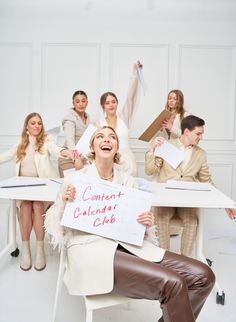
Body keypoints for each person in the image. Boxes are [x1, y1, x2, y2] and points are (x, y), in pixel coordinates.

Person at [45, 126, 215, 322]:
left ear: (117, 147)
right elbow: (56, 229)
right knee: (174, 283)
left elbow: (136, 232)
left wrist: (145, 224)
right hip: (91, 250)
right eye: (100, 137)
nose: (106, 140)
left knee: (204, 276)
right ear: (92, 146)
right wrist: (65, 205)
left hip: (128, 248)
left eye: (112, 137)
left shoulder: (129, 182)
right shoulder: (75, 180)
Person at [0, 112, 75, 271]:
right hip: (23, 189)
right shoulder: (20, 143)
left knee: (38, 207)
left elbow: (57, 150)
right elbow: (4, 156)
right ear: (27, 126)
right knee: (26, 207)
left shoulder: (46, 141)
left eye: (39, 123)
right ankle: (25, 249)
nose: (36, 126)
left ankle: (40, 249)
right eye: (33, 123)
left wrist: (67, 152)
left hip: (43, 189)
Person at [145, 115, 214, 257]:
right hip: (165, 198)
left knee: (192, 221)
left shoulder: (201, 154)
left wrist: (226, 205)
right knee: (160, 219)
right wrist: (151, 150)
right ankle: (165, 258)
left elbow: (207, 181)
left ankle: (184, 260)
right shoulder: (166, 145)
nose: (200, 137)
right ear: (187, 132)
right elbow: (150, 170)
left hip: (187, 199)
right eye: (198, 133)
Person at [99, 62, 142, 176]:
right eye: (107, 103)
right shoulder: (99, 123)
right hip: (108, 162)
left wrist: (135, 73)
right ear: (103, 106)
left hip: (127, 162)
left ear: (117, 104)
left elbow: (130, 97)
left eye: (113, 102)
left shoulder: (124, 118)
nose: (111, 105)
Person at [59, 90, 91, 177]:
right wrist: (76, 158)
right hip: (69, 158)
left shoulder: (88, 118)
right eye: (77, 101)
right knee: (70, 185)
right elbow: (70, 140)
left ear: (87, 103)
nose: (81, 104)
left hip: (83, 157)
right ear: (73, 103)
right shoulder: (69, 119)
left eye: (83, 101)